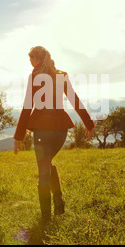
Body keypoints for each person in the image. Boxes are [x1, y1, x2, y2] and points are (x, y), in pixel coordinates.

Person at [14, 46, 95, 223]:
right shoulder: (61, 75)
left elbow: (28, 106)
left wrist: (19, 135)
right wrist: (88, 123)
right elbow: (73, 98)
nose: (30, 63)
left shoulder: (34, 77)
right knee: (47, 163)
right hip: (60, 131)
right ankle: (58, 199)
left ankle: (45, 220)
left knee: (43, 172)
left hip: (43, 131)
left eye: (31, 59)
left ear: (36, 58)